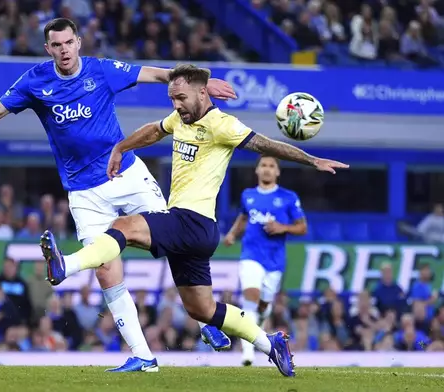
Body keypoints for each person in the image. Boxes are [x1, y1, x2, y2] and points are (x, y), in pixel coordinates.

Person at [0, 18, 236, 372]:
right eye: (56, 45)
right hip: (84, 192)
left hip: (127, 175)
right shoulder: (35, 81)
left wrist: (200, 83)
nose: (63, 50)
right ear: (48, 49)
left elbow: (152, 74)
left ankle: (205, 323)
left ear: (79, 42)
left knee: (175, 236)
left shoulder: (102, 70)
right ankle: (143, 356)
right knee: (105, 269)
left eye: (68, 43)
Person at [41, 64, 349, 377]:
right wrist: (122, 146)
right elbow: (155, 129)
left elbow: (267, 144)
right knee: (202, 309)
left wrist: (312, 160)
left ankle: (67, 265)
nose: (176, 104)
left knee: (122, 227)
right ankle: (271, 344)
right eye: (172, 98)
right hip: (194, 232)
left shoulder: (222, 125)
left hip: (192, 220)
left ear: (203, 92)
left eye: (181, 98)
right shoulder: (181, 117)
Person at [223, 155, 307, 366]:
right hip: (251, 254)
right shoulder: (248, 195)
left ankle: (260, 319)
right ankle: (248, 352)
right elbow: (243, 217)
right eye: (263, 165)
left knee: (263, 305)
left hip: (275, 259)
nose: (267, 169)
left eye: (271, 166)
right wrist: (233, 234)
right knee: (251, 295)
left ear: (277, 172)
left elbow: (302, 227)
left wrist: (282, 227)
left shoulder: (288, 197)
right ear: (257, 170)